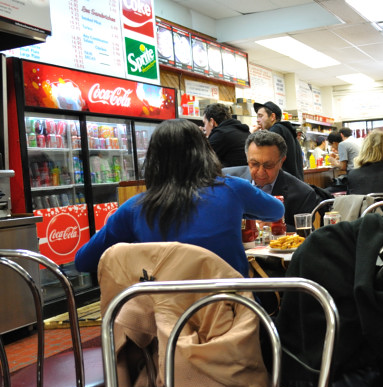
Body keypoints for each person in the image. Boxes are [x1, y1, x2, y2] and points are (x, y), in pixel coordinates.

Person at [74, 119, 284, 277]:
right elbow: (277, 211)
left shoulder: (132, 209)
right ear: (205, 153)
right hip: (232, 315)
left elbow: (83, 261)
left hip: (168, 324)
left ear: (154, 160)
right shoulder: (233, 189)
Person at [223, 130, 320, 233]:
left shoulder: (303, 194)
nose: (260, 172)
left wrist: (277, 225)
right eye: (254, 164)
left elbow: (306, 233)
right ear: (247, 158)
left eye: (268, 165)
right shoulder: (225, 180)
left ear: (281, 162)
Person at [255, 101, 304, 180]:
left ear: (272, 117)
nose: (257, 120)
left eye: (260, 116)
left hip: (285, 184)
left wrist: (251, 134)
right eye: (257, 117)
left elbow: (262, 153)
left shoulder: (276, 129)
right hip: (294, 183)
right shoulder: (285, 129)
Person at [202, 102, 250, 167]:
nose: (204, 128)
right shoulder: (242, 130)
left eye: (205, 123)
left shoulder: (220, 135)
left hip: (233, 175)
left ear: (212, 122)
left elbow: (202, 162)